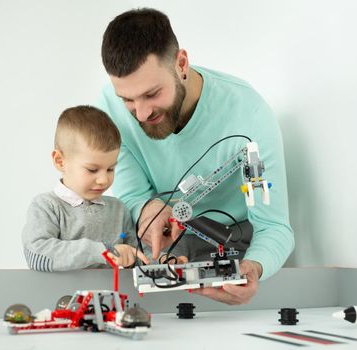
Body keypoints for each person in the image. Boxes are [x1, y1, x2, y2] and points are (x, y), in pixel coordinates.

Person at [97, 8, 294, 305]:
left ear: (181, 64)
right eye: (128, 99)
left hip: (231, 243)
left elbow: (274, 227)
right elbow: (134, 197)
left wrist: (255, 267)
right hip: (162, 241)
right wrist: (147, 209)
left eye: (152, 94)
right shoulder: (109, 108)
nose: (141, 113)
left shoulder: (250, 117)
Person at [22, 105, 149, 272]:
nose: (104, 179)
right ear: (60, 161)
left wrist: (163, 261)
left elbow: (137, 256)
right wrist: (101, 250)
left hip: (112, 296)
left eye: (110, 169)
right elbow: (37, 255)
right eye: (92, 170)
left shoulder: (118, 209)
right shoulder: (46, 206)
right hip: (63, 297)